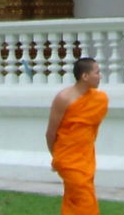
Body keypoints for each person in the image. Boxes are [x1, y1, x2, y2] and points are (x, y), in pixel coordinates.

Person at [46, 57, 108, 215]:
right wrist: (57, 157)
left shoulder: (99, 99)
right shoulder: (64, 98)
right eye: (97, 72)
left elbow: (90, 129)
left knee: (73, 200)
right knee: (84, 200)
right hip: (67, 159)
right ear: (85, 76)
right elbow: (51, 132)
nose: (100, 76)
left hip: (85, 157)